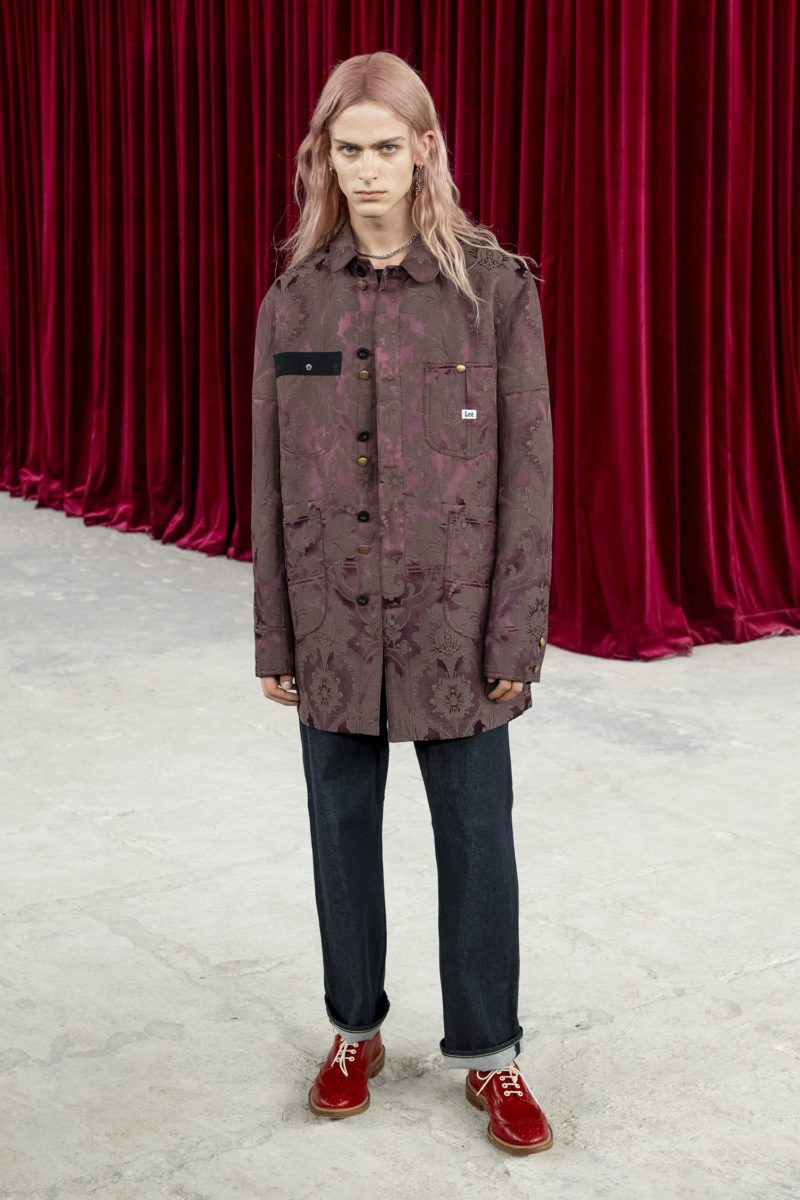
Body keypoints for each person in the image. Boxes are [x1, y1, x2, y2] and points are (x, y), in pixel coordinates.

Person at [251, 51, 554, 1156]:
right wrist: (275, 632)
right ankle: (354, 1030)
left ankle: (491, 1052)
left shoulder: (495, 293)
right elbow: (273, 477)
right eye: (349, 149)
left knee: (476, 837)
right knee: (339, 831)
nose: (368, 168)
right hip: (332, 616)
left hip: (456, 624)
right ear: (323, 159)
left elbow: (528, 475)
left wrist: (516, 632)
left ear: (425, 150)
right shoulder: (296, 298)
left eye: (387, 146)